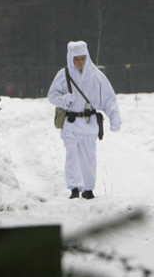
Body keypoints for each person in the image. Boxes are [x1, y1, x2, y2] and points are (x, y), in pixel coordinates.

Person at [47, 41, 122, 199]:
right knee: (72, 155)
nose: (80, 62)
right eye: (77, 59)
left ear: (87, 57)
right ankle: (74, 187)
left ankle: (88, 189)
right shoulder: (63, 75)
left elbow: (109, 99)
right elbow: (52, 95)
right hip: (70, 123)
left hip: (89, 124)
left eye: (83, 58)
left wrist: (114, 117)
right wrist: (63, 100)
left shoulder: (97, 76)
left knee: (88, 157)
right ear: (70, 58)